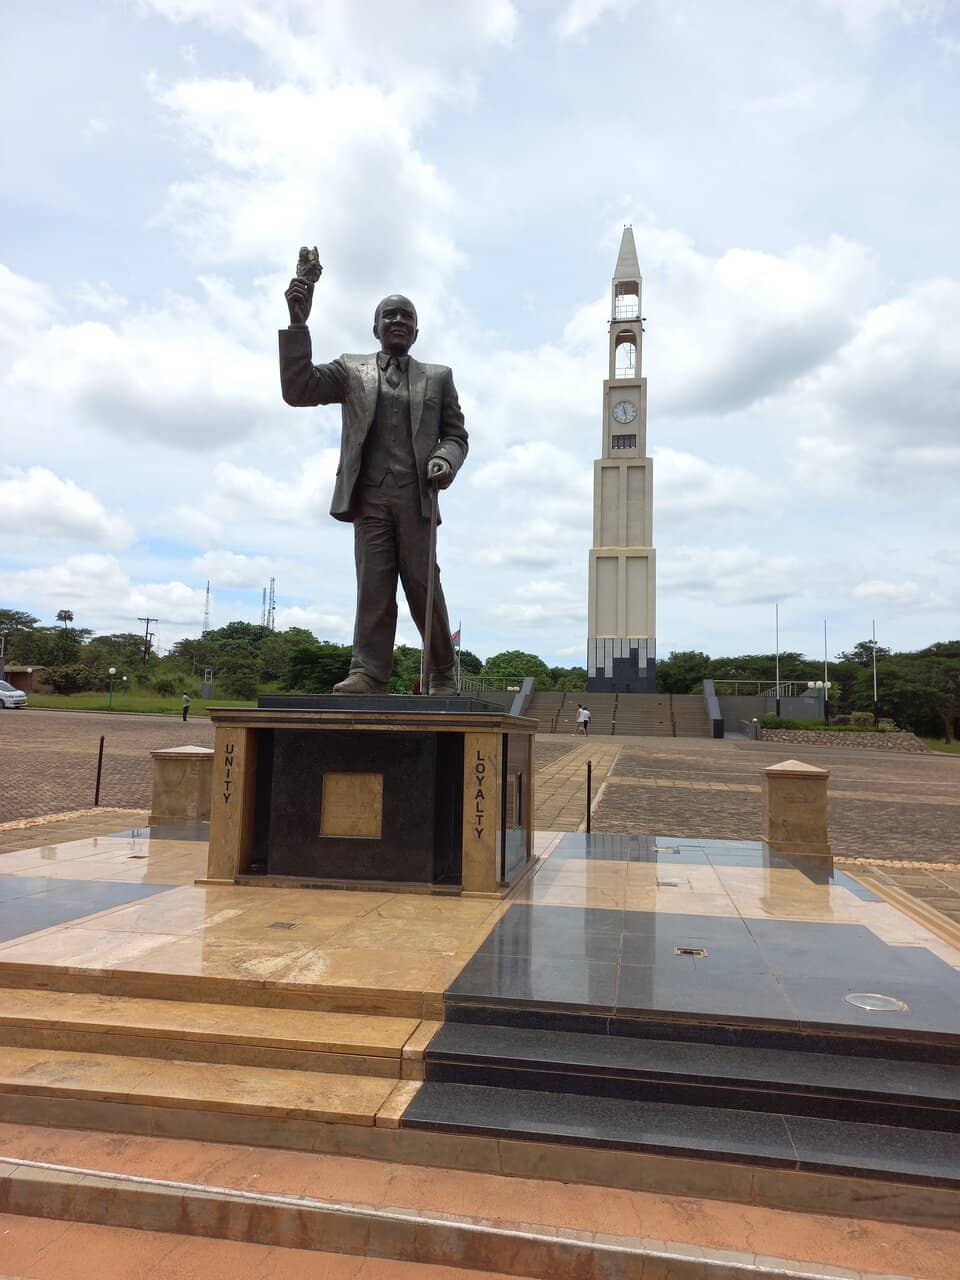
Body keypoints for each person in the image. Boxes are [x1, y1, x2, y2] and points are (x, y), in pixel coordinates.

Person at [280, 271, 468, 695]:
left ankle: (442, 672)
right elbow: (298, 389)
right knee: (374, 586)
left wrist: (444, 459)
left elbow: (456, 436)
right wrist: (297, 325)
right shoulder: (351, 369)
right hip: (369, 497)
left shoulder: (438, 377)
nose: (398, 320)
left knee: (423, 586)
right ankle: (367, 672)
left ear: (417, 331)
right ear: (376, 327)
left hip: (417, 498)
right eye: (390, 315)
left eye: (407, 316)